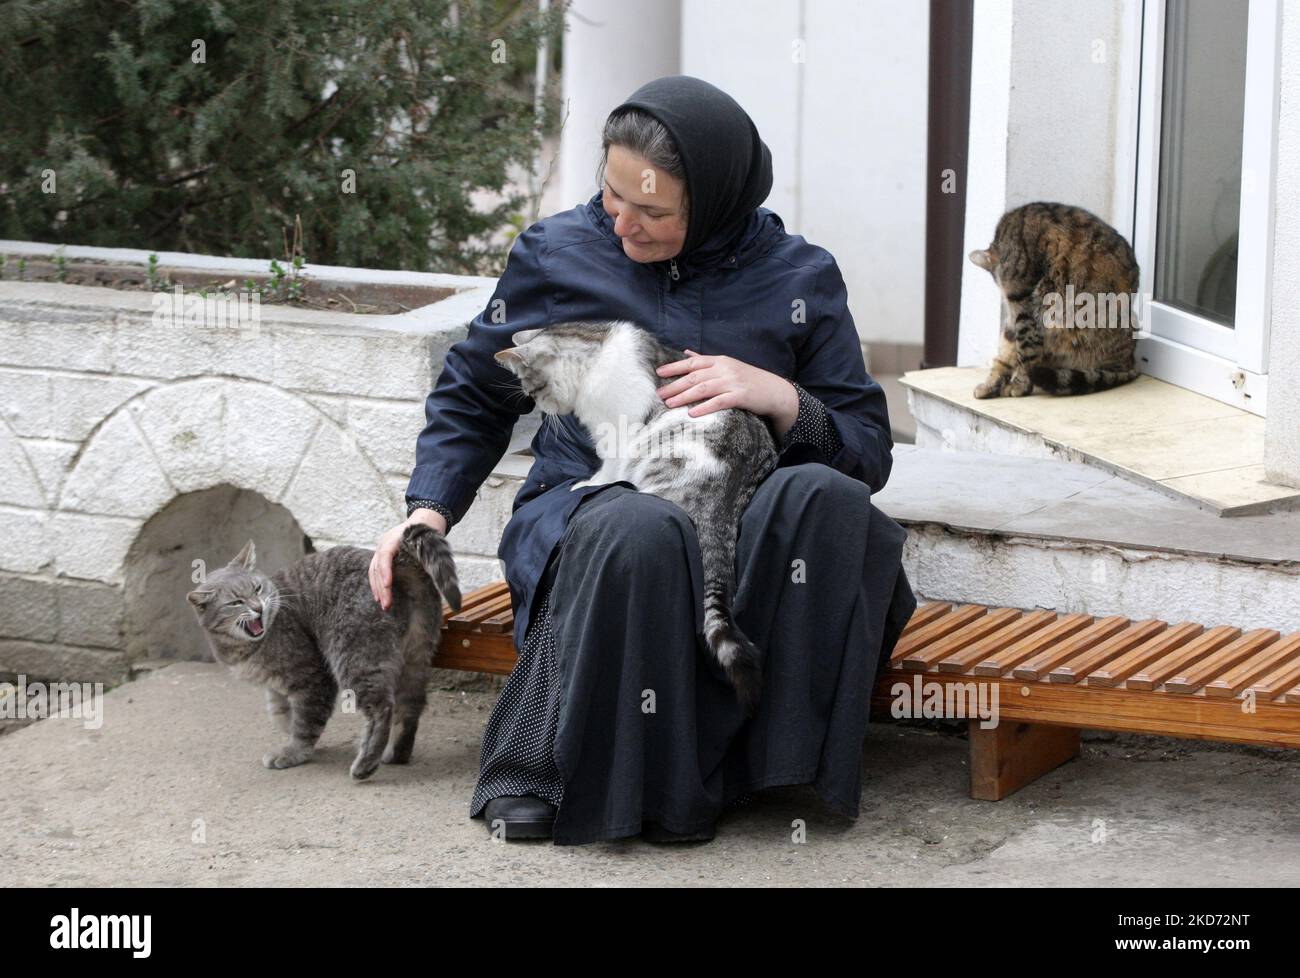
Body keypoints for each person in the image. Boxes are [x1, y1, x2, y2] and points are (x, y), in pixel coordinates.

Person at [369, 75, 916, 845]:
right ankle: (551, 763)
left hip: (733, 510)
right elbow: (475, 390)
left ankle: (754, 766)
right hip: (592, 505)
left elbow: (865, 448)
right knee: (642, 527)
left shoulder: (799, 276)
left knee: (825, 498)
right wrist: (425, 513)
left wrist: (778, 395)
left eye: (653, 211)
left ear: (718, 201)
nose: (623, 222)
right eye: (613, 194)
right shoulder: (558, 252)